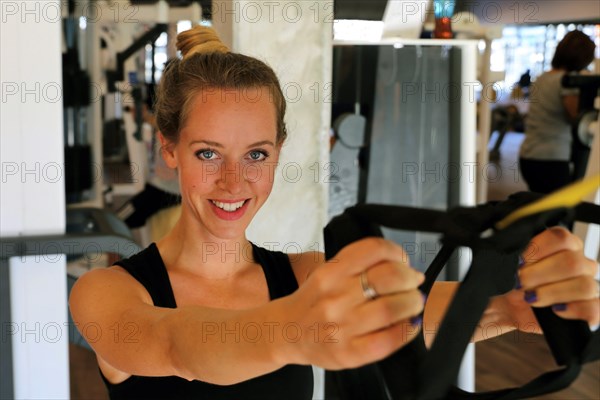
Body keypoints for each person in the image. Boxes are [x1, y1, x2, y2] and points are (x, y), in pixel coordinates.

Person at [69, 26, 599, 399]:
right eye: (207, 153)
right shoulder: (108, 293)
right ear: (169, 150)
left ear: (278, 150)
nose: (234, 182)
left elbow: (418, 315)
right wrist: (298, 329)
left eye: (257, 154)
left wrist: (517, 307)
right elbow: (179, 347)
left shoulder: (304, 276)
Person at [519, 30, 596, 194]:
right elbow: (578, 120)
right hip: (551, 161)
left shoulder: (542, 77)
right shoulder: (567, 82)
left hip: (528, 156)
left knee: (541, 209)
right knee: (556, 213)